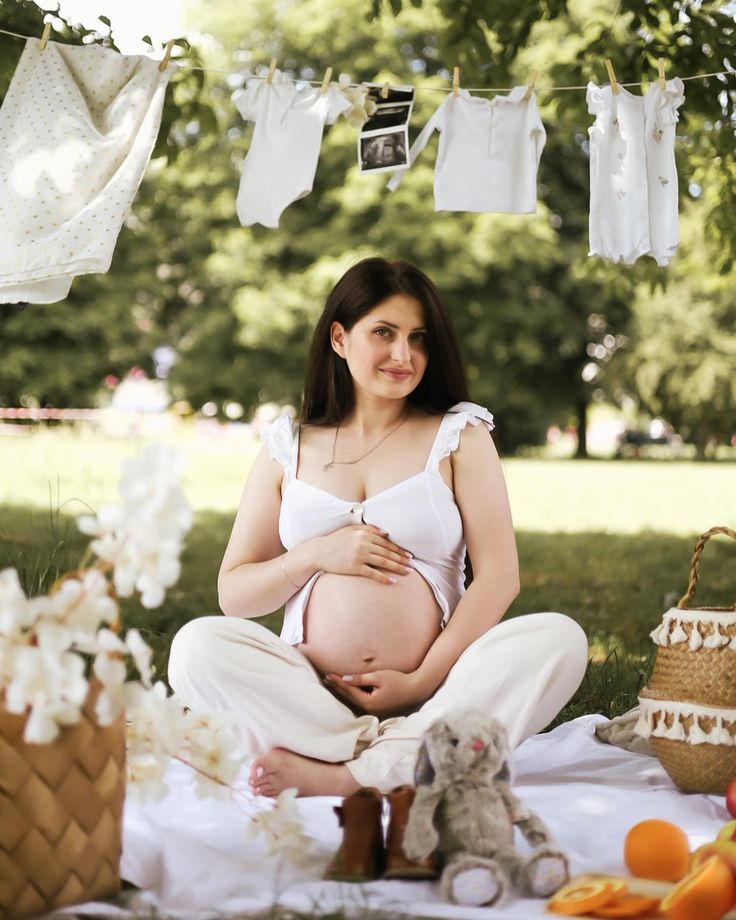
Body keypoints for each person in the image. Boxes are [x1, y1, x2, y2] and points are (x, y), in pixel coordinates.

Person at [168, 257, 589, 798]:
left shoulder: (459, 435)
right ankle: (397, 756)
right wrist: (315, 556)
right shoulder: (287, 447)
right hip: (311, 699)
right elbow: (235, 595)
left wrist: (420, 681)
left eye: (418, 338)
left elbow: (499, 578)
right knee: (196, 646)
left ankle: (349, 773)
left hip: (439, 692)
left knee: (559, 639)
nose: (403, 355)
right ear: (340, 339)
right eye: (383, 333)